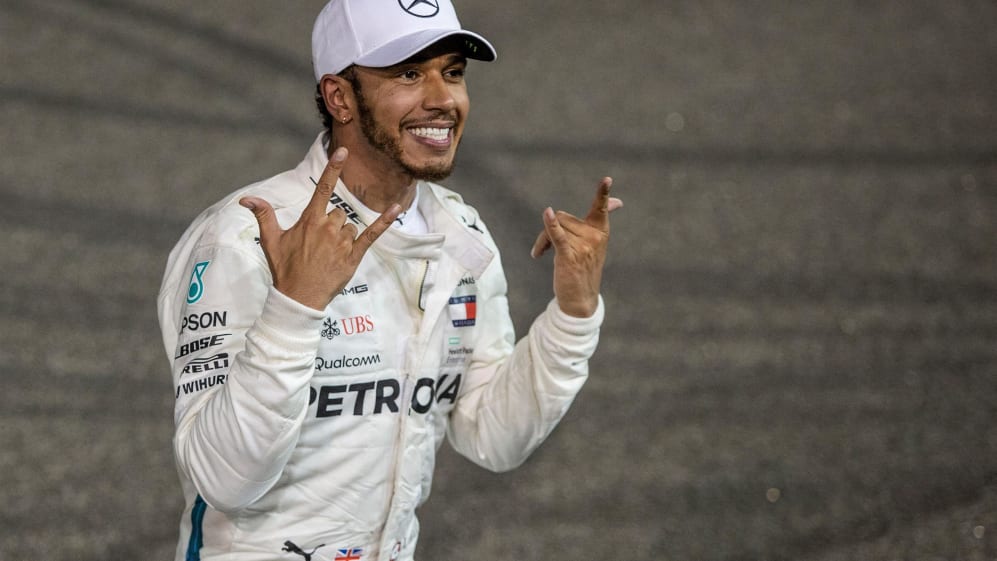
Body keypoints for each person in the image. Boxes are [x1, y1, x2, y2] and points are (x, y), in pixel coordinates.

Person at [157, 1, 622, 560]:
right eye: (408, 74)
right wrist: (294, 308)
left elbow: (491, 434)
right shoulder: (245, 237)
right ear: (340, 97)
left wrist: (573, 315)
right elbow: (223, 480)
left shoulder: (460, 235)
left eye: (452, 72)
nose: (443, 99)